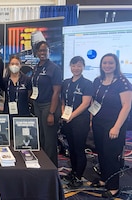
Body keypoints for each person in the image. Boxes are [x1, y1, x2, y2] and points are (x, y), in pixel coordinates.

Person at [89, 53, 132, 198]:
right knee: (101, 153)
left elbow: (126, 106)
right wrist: (91, 119)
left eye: (110, 63)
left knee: (111, 155)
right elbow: (94, 102)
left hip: (114, 125)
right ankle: (104, 179)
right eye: (105, 63)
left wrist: (117, 127)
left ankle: (114, 187)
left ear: (116, 65)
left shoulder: (123, 82)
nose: (107, 66)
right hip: (98, 123)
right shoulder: (97, 81)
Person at [60, 56, 93, 188]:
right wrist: (64, 113)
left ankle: (78, 177)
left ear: (83, 67)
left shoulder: (87, 83)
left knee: (79, 149)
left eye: (79, 65)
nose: (76, 68)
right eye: (74, 66)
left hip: (80, 120)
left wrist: (72, 116)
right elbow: (63, 100)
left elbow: (86, 104)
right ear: (70, 67)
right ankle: (73, 172)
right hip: (67, 120)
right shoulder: (66, 82)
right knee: (71, 148)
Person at [31, 41, 62, 167]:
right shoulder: (37, 66)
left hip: (49, 106)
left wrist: (51, 113)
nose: (42, 53)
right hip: (38, 105)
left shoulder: (54, 68)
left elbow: (56, 92)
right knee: (41, 138)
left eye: (45, 50)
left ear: (49, 51)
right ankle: (43, 165)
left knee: (49, 141)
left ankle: (51, 168)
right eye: (40, 51)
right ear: (37, 52)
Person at [3, 55, 32, 138]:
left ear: (20, 65)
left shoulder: (27, 80)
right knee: (9, 138)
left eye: (16, 63)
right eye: (12, 64)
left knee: (22, 139)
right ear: (9, 65)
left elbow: (29, 95)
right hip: (8, 114)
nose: (14, 66)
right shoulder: (5, 80)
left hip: (23, 114)